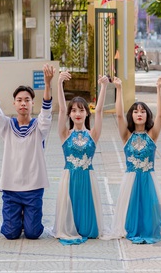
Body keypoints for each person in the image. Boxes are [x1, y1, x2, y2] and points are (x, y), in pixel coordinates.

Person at [0, 61, 54, 240]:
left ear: (32, 103)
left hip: (33, 188)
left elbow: (46, 113)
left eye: (27, 100)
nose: (23, 103)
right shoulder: (7, 126)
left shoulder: (39, 127)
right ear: (14, 104)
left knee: (32, 234)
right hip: (11, 188)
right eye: (19, 100)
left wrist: (47, 84)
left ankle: (29, 218)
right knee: (10, 234)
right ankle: (17, 219)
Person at [53, 72, 108, 244]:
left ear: (86, 114)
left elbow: (99, 111)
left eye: (81, 109)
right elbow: (61, 109)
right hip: (69, 177)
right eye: (74, 110)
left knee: (89, 229)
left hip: (87, 177)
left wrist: (104, 86)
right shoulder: (64, 134)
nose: (77, 113)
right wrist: (59, 83)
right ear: (69, 114)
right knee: (69, 216)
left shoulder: (93, 135)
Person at [109, 75, 161, 244]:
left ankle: (148, 230)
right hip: (131, 179)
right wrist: (119, 89)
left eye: (142, 111)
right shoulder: (127, 135)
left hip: (148, 178)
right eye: (135, 111)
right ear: (131, 116)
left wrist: (159, 89)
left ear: (147, 115)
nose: (139, 114)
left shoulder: (152, 135)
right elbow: (118, 116)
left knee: (149, 211)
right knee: (131, 211)